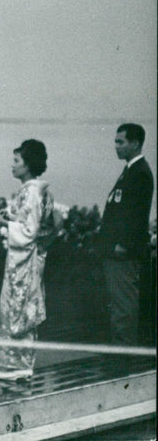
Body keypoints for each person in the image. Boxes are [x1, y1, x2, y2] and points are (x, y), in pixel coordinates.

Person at [0, 140, 54, 382]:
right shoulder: (34, 190)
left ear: (28, 165)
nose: (12, 166)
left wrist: (4, 224)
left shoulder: (33, 191)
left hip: (24, 260)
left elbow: (29, 231)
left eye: (17, 161)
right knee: (18, 310)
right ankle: (16, 366)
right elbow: (28, 223)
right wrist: (9, 217)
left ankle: (19, 367)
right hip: (22, 259)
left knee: (19, 310)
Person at [97, 123, 154, 346]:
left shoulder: (140, 173)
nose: (116, 146)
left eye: (120, 142)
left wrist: (123, 246)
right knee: (119, 304)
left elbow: (137, 215)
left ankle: (123, 357)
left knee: (124, 304)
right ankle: (120, 351)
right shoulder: (130, 171)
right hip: (114, 252)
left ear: (135, 143)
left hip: (123, 253)